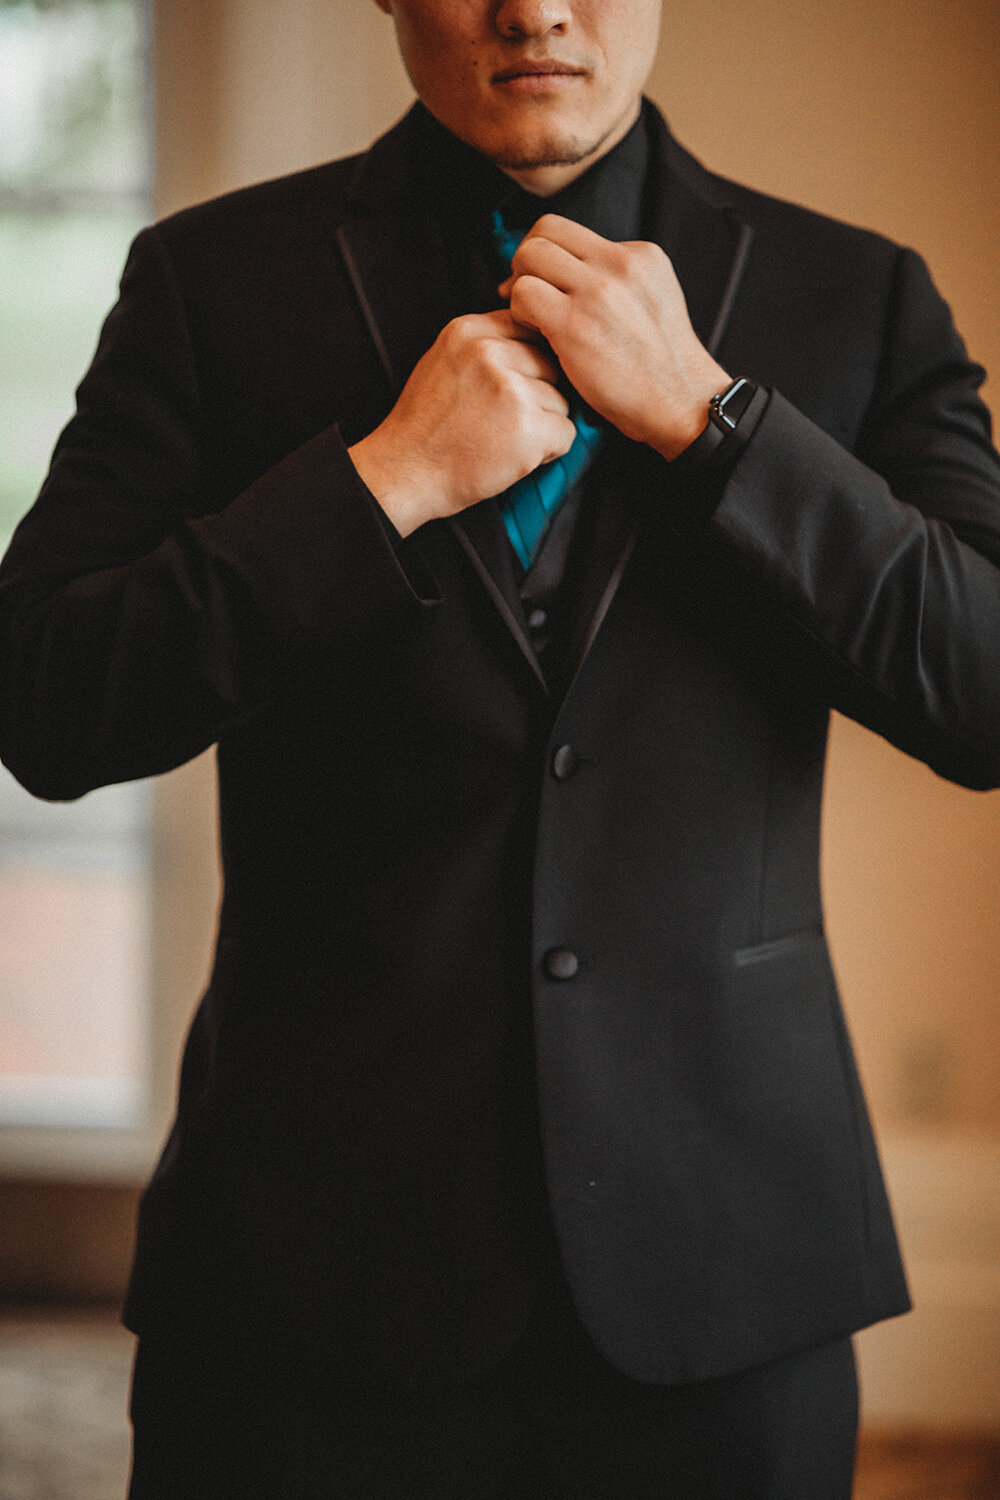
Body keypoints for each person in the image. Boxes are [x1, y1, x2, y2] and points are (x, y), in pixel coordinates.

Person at [2, 0, 999, 1494]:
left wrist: (717, 426)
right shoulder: (210, 281)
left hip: (726, 1276)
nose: (533, 3)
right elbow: (48, 703)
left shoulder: (857, 295)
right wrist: (380, 484)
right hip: (304, 1285)